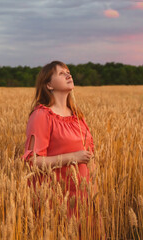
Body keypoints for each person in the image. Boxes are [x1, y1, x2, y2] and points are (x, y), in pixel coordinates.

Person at [21, 60, 105, 239]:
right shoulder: (41, 115)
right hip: (56, 199)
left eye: (68, 72)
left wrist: (95, 193)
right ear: (49, 85)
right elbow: (33, 161)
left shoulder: (77, 116)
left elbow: (89, 157)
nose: (69, 75)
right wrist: (72, 157)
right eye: (61, 73)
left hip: (83, 197)